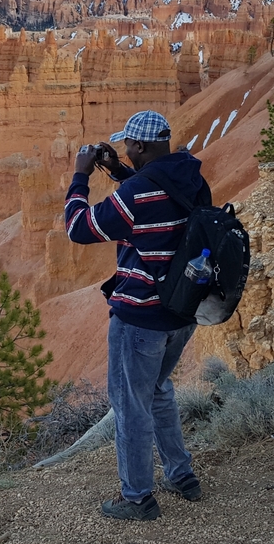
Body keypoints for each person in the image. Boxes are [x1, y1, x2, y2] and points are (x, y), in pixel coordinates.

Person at [65, 109, 210, 521]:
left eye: (128, 144)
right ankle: (181, 476)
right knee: (159, 390)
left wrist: (80, 176)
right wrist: (117, 170)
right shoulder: (191, 177)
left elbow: (79, 227)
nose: (125, 148)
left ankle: (137, 497)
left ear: (141, 145)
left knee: (130, 406)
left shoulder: (137, 194)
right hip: (181, 311)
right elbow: (155, 196)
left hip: (141, 317)